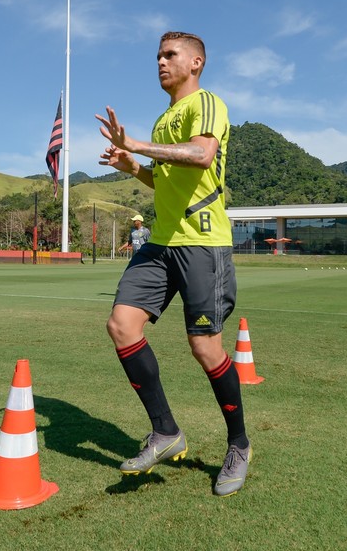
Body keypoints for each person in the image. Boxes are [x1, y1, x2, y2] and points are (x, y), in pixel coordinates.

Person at [95, 31, 248, 497]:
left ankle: (238, 444)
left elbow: (202, 156)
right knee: (122, 325)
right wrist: (134, 169)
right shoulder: (165, 120)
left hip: (203, 244)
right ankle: (166, 432)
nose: (160, 62)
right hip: (161, 244)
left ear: (196, 62)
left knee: (205, 349)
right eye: (157, 56)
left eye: (170, 55)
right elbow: (166, 183)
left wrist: (137, 145)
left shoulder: (206, 104)